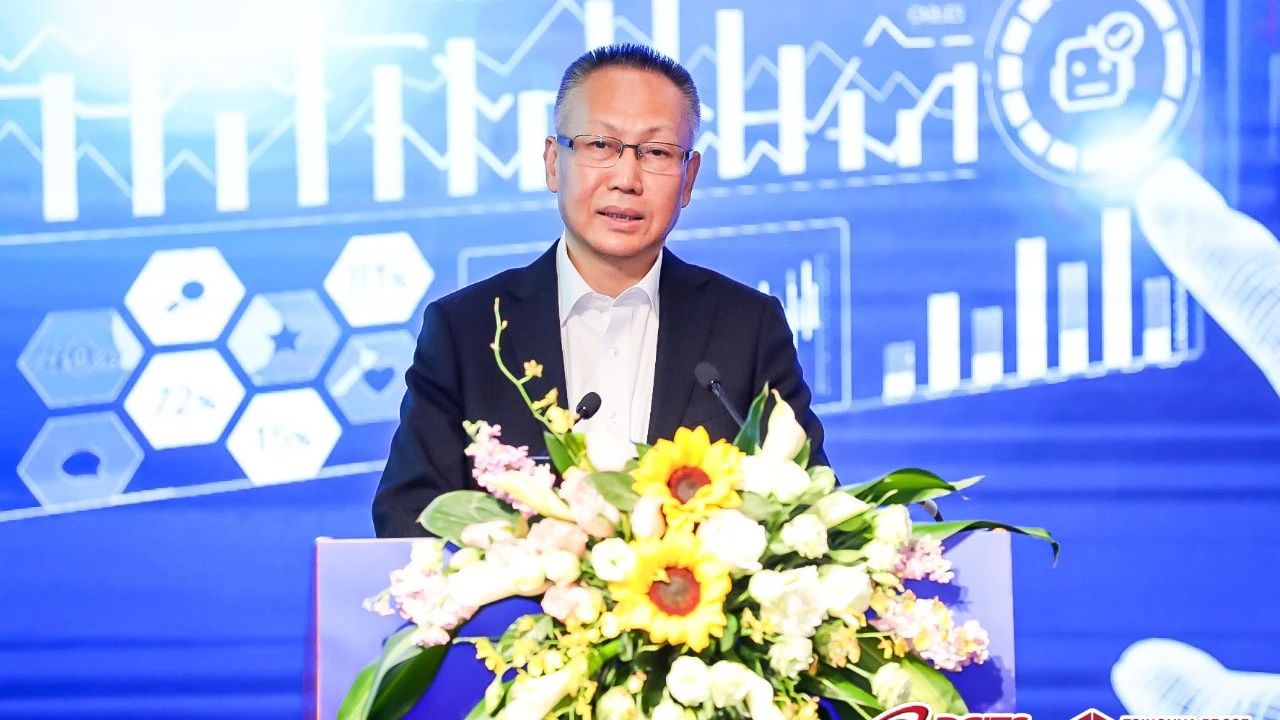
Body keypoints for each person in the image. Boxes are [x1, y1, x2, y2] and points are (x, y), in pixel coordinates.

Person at [373, 44, 827, 537]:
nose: (626, 179)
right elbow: (408, 519)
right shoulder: (466, 331)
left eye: (657, 152)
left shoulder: (747, 327)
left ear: (688, 178)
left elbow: (807, 509)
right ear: (554, 162)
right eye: (600, 146)